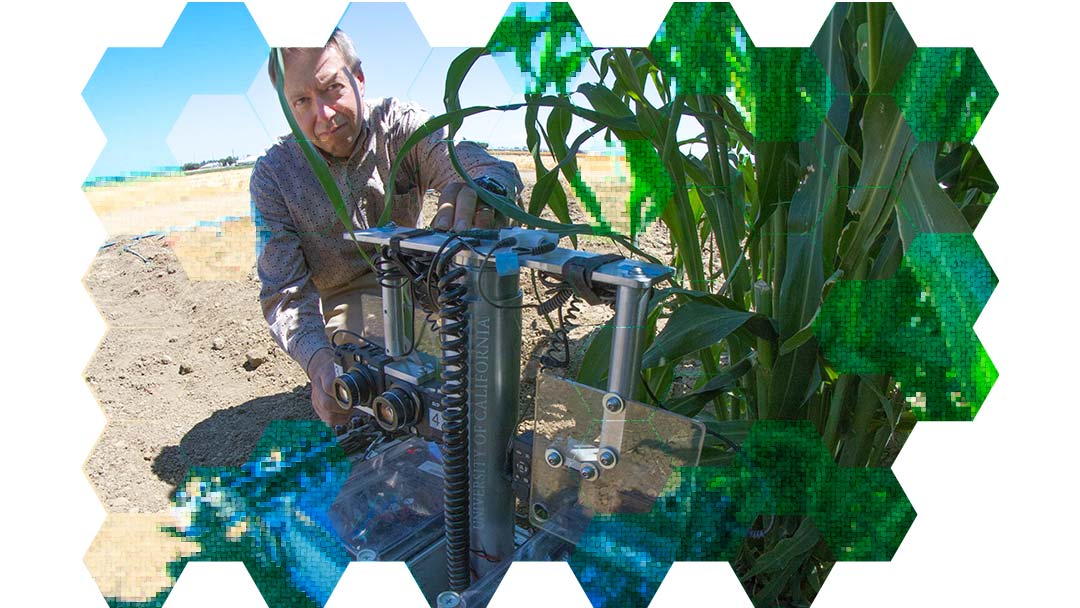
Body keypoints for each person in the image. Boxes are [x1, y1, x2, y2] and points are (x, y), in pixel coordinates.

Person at [250, 28, 524, 427]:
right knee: (390, 382)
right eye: (303, 101)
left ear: (358, 79)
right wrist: (319, 362)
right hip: (349, 292)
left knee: (476, 357)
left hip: (420, 275)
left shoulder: (398, 125)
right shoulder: (275, 175)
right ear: (288, 109)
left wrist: (485, 188)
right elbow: (285, 293)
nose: (323, 115)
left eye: (332, 88)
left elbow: (466, 160)